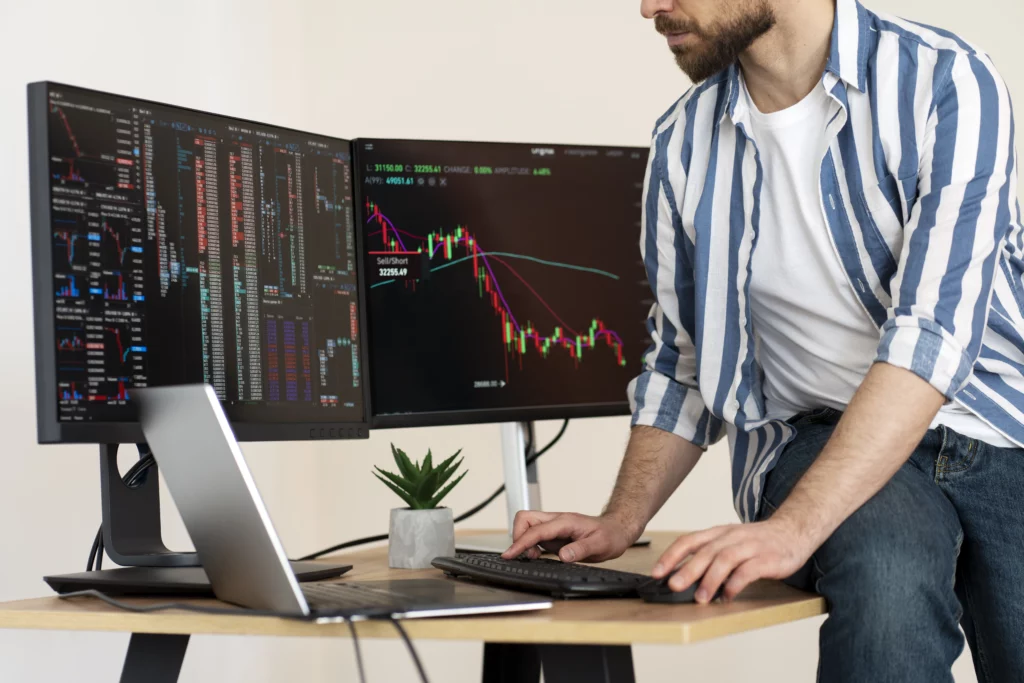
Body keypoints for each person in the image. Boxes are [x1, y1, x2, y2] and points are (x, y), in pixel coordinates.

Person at [503, 0, 1024, 680]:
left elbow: (933, 334)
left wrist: (793, 529)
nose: (648, 6)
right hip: (818, 432)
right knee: (886, 578)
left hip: (999, 424)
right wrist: (621, 516)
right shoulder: (683, 143)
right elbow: (681, 359)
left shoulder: (946, 82)